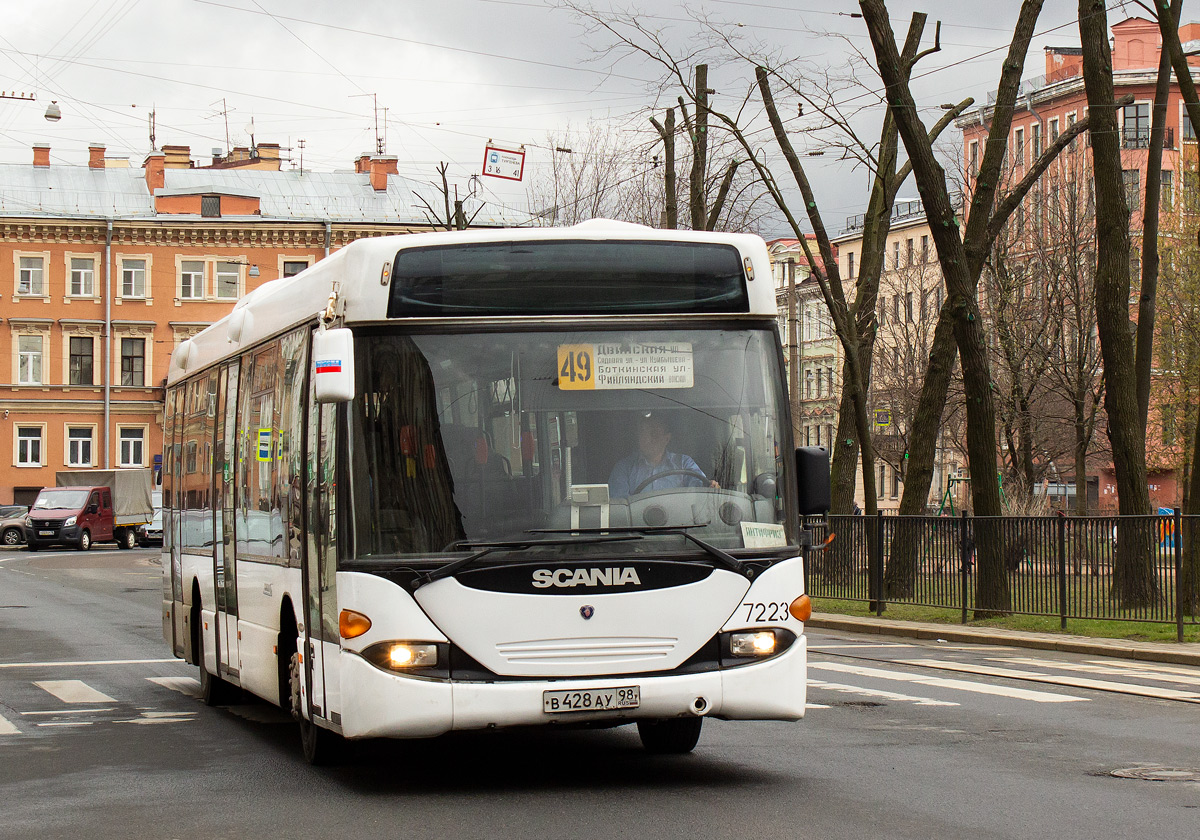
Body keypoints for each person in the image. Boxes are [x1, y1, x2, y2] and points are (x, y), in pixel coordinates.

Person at [608, 412, 719, 498]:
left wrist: (710, 487)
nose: (647, 439)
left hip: (680, 525)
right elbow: (620, 508)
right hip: (636, 527)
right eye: (643, 432)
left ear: (667, 438)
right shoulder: (623, 468)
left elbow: (700, 492)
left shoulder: (684, 463)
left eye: (653, 433)